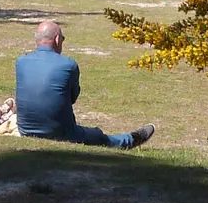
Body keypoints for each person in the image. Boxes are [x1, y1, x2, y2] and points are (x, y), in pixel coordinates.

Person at [14, 20, 154, 149]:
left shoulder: (21, 62)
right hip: (60, 132)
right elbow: (72, 98)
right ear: (57, 39)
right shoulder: (68, 65)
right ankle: (130, 140)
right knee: (98, 136)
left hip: (25, 129)